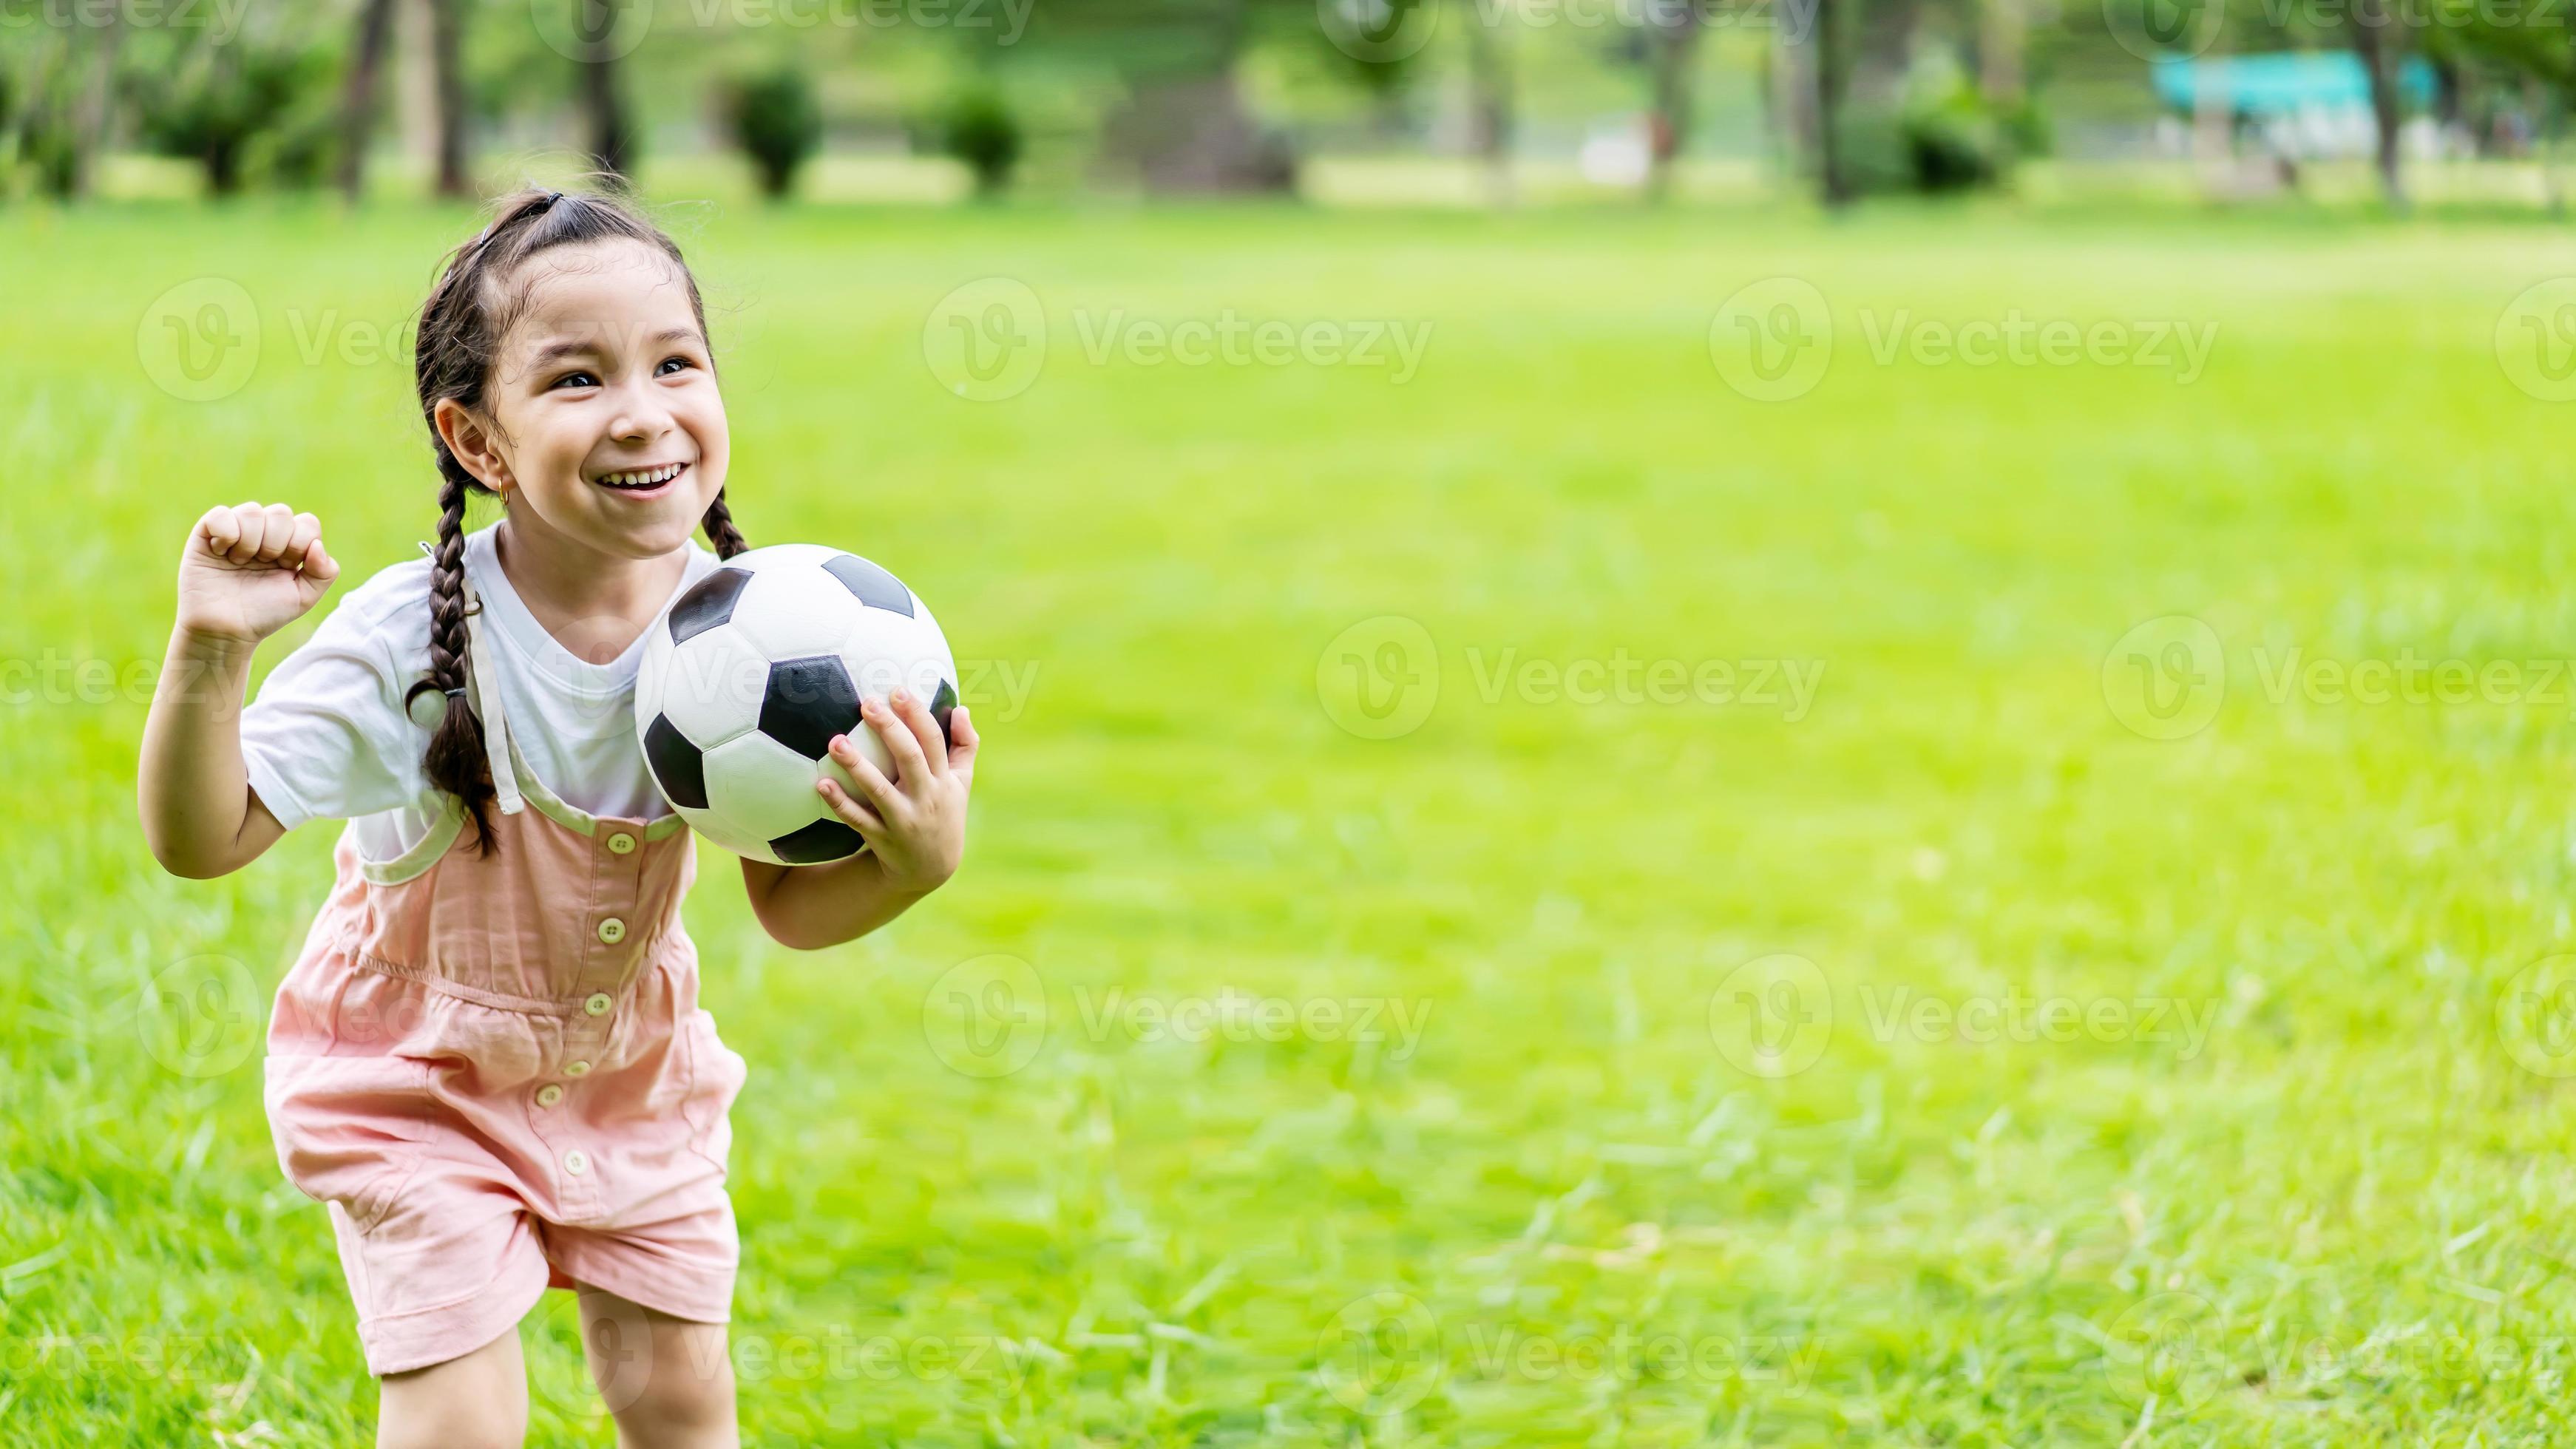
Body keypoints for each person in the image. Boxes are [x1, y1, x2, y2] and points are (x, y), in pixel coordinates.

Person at [135, 187, 980, 1448]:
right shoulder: (411, 641)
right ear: (478, 443)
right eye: (578, 379)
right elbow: (203, 840)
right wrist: (211, 646)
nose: (645, 412)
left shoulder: (775, 627)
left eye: (675, 363)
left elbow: (792, 912)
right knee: (466, 1420)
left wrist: (916, 860)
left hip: (631, 1081)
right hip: (417, 1081)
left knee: (679, 1400)